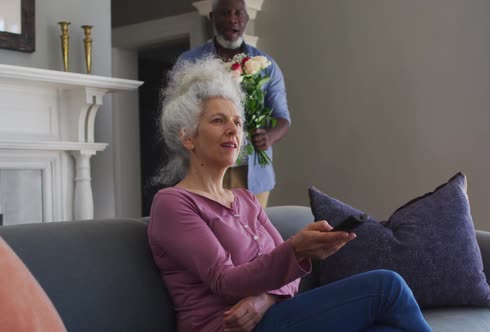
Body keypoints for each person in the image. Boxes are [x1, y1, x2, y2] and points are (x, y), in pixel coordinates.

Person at [148, 58, 432, 332]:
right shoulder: (173, 203)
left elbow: (291, 276)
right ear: (187, 137)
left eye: (237, 121)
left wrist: (266, 299)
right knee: (387, 286)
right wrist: (296, 249)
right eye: (218, 120)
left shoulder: (246, 199)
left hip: (273, 317)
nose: (233, 129)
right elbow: (225, 280)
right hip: (225, 327)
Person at [175, 0, 290, 208]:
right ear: (212, 17)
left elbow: (283, 118)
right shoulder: (189, 62)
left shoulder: (267, 65)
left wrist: (268, 136)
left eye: (239, 13)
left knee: (253, 235)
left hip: (254, 172)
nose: (232, 19)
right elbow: (176, 114)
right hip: (204, 168)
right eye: (225, 13)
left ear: (246, 18)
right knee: (213, 231)